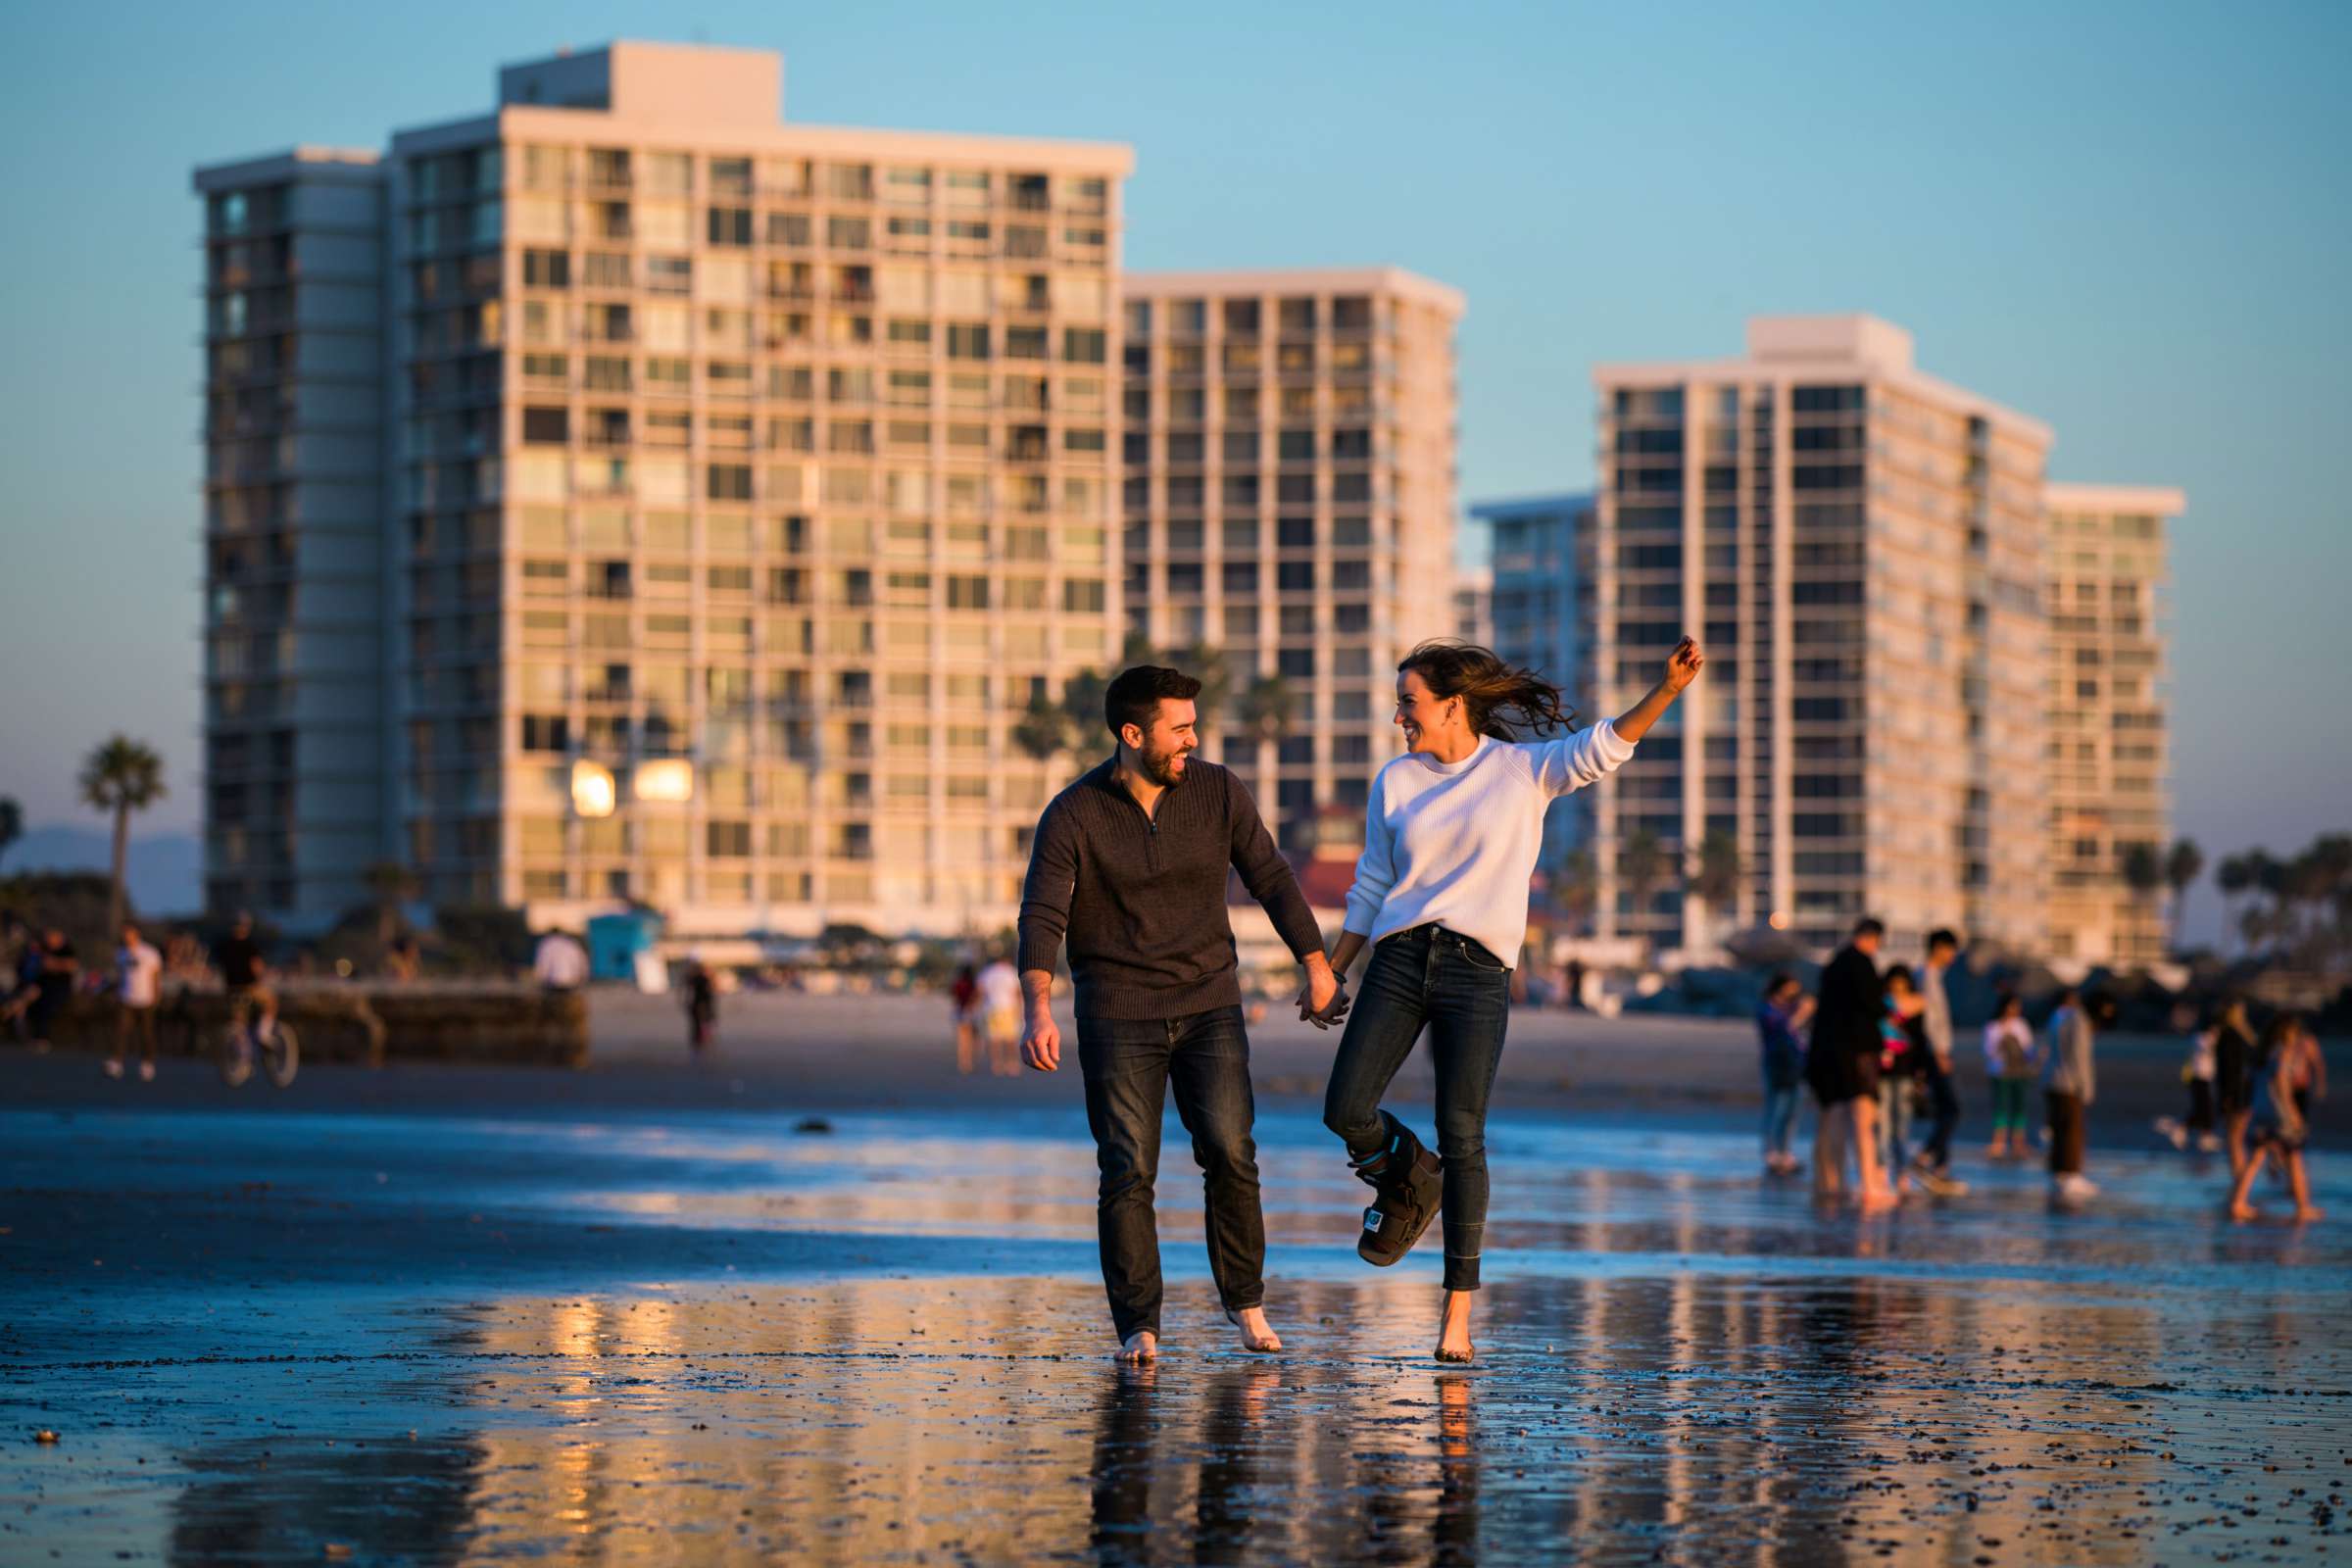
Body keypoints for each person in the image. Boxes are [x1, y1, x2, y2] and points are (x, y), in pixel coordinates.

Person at [1321, 635, 1702, 1363]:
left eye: (1410, 702)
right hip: (1400, 958)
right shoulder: (1395, 782)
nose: (1400, 716)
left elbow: (1602, 747)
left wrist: (1667, 693)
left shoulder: (1522, 770)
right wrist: (1333, 971)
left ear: (1452, 705)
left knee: (1463, 1135)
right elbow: (1371, 884)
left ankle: (1456, 1316)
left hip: (1477, 970)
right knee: (1345, 1108)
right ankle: (1410, 1182)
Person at [1017, 663, 1341, 1362]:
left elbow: (1271, 877)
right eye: (1181, 727)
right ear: (1133, 735)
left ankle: (1247, 1305)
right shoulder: (1073, 813)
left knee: (1230, 1150)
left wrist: (1316, 964)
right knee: (1127, 1168)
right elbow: (1043, 913)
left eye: (1196, 725)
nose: (1194, 740)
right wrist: (1037, 1007)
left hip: (1208, 1004)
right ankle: (1140, 1324)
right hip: (1116, 1013)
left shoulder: (1219, 791)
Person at [1806, 917, 1895, 1210]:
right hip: (1856, 1052)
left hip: (1825, 1053)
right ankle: (1870, 1185)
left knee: (1832, 1116)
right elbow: (1874, 1005)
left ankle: (1832, 1183)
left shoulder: (1834, 963)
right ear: (1873, 938)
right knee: (1862, 1117)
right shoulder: (1861, 963)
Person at [2227, 1013, 2325, 1223]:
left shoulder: (2260, 1054)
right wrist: (2292, 1112)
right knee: (2294, 1157)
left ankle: (2238, 1202)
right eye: (2293, 1033)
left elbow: (2250, 1083)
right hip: (2278, 1113)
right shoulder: (2282, 1053)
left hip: (2259, 1110)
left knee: (2255, 1158)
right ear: (2285, 1033)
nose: (2296, 1037)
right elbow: (2282, 1085)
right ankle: (2303, 1207)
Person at [1913, 929, 1966, 1190]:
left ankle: (1940, 1166)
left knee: (1946, 1108)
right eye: (1950, 949)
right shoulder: (1926, 976)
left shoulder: (1932, 975)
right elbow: (1929, 1021)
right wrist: (1940, 1052)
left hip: (1937, 1050)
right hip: (1935, 1051)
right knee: (1951, 1108)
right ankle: (1927, 1157)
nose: (1952, 955)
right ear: (1939, 948)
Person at [2046, 987, 2109, 1203]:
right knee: (2073, 1131)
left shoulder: (2057, 1018)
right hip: (2069, 1084)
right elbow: (2079, 1057)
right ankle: (2071, 1175)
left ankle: (2060, 1174)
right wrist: (2086, 1088)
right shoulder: (2079, 1021)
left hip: (2052, 1080)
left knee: (2060, 1130)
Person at [1756, 972, 1811, 1175]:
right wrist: (1800, 1015)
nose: (1794, 993)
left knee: (1793, 1111)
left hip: (1798, 1065)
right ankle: (1771, 1153)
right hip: (1776, 1064)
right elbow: (1781, 1029)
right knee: (1776, 1108)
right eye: (1791, 988)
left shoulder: (1790, 1009)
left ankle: (1785, 1152)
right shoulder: (1767, 1009)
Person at [105, 923, 164, 1082]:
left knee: (146, 1033)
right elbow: (119, 975)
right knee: (121, 1030)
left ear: (136, 933)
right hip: (126, 998)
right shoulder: (121, 953)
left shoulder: (150, 953)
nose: (126, 936)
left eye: (129, 933)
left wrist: (157, 995)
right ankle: (117, 1062)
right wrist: (115, 992)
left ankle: (147, 1064)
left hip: (145, 999)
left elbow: (156, 976)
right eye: (124, 933)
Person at [1983, 993, 2039, 1158]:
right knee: (2000, 1107)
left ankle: (2018, 1143)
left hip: (2019, 1072)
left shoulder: (2021, 1025)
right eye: (2012, 1006)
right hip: (2000, 1072)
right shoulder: (1993, 1027)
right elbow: (1988, 1051)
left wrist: (2033, 1059)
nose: (2014, 1010)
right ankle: (1998, 1142)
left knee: (2019, 1107)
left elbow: (2028, 1049)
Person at [2211, 996, 2259, 1177]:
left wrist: (2227, 1095)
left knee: (2234, 1138)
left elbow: (2229, 1069)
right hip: (2247, 1090)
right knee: (2240, 1137)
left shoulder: (2228, 1035)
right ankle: (2241, 1178)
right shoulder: (2247, 1036)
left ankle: (2239, 1178)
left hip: (2235, 1091)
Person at [212, 913, 274, 1049]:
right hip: (250, 987)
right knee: (271, 1002)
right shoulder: (250, 946)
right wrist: (262, 979)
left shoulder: (223, 945)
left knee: (239, 1020)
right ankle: (263, 1033)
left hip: (231, 988)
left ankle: (241, 1049)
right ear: (246, 927)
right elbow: (257, 967)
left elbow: (218, 967)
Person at [2158, 1021, 2221, 1152]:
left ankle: (2204, 1136)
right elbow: (2208, 1049)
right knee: (2202, 1108)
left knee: (2206, 1108)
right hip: (2197, 1078)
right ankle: (2182, 1128)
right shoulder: (2200, 1038)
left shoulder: (2206, 1038)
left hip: (2206, 1078)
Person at [27, 928, 81, 1051]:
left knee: (48, 1005)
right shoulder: (44, 950)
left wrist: (55, 964)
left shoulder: (67, 950)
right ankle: (35, 1036)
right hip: (43, 986)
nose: (49, 941)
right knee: (34, 1004)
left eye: (52, 938)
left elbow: (71, 966)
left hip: (60, 988)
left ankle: (43, 1038)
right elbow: (42, 968)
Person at [975, 955, 1023, 1077]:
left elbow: (980, 991)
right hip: (1008, 1007)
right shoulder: (1011, 972)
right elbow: (1017, 992)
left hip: (990, 1008)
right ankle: (1011, 1064)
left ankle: (996, 1064)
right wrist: (1020, 1009)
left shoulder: (986, 972)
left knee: (993, 1038)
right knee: (1011, 1038)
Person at [950, 963, 981, 1075]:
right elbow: (977, 996)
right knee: (973, 1038)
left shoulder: (957, 983)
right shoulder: (974, 984)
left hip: (959, 1010)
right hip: (971, 1012)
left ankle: (963, 1062)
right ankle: (970, 1060)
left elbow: (954, 997)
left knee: (962, 1039)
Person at [682, 956, 717, 1056]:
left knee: (701, 1023)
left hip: (702, 1003)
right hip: (701, 1003)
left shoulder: (698, 978)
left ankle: (701, 1041)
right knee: (700, 1023)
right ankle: (701, 1041)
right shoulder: (699, 979)